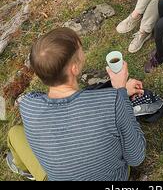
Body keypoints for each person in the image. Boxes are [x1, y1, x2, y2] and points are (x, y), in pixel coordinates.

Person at [6, 28, 146, 181]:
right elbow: (136, 157)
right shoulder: (113, 102)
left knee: (14, 133)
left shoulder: (28, 105)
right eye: (80, 49)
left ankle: (27, 171)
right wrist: (120, 91)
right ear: (74, 68)